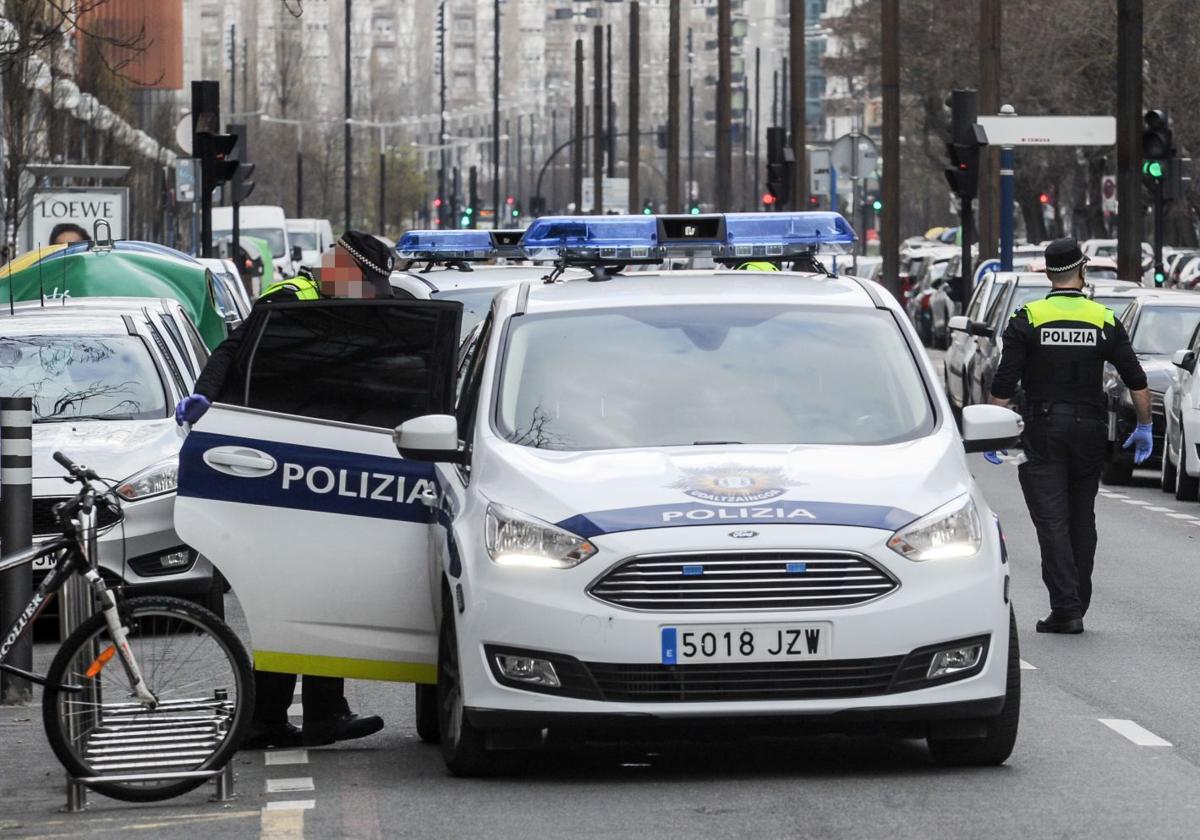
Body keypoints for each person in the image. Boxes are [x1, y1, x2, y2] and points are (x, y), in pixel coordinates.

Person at [176, 230, 396, 749]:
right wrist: (204, 397)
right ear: (340, 269)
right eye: (366, 283)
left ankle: (304, 714)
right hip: (287, 466)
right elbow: (232, 351)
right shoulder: (288, 302)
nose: (372, 294)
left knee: (315, 595)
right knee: (305, 595)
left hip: (318, 463)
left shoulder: (350, 307)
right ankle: (283, 717)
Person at [988, 237, 1151, 635]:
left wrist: (992, 432)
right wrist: (1145, 426)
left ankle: (1066, 608)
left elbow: (1003, 385)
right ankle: (1077, 599)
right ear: (1083, 270)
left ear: (1047, 272)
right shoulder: (1104, 319)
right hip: (1090, 431)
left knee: (1051, 521)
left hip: (1043, 430)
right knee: (1082, 517)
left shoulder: (1027, 317)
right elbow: (1137, 381)